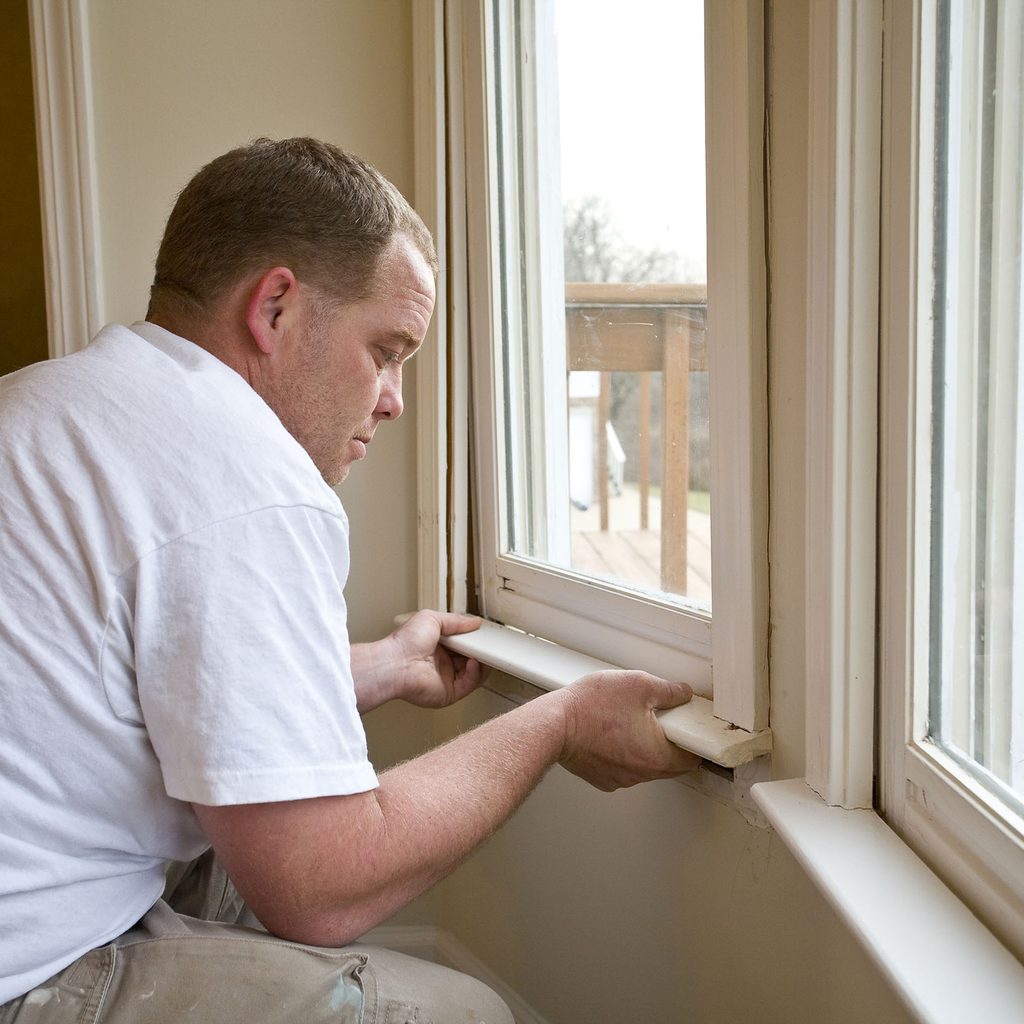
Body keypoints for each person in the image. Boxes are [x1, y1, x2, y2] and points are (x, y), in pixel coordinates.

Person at [0, 137, 699, 1023]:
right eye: (387, 349)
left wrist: (383, 666)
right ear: (278, 308)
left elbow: (157, 690)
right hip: (24, 972)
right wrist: (557, 720)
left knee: (236, 842)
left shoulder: (59, 403)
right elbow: (321, 889)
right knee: (464, 1015)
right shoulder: (242, 481)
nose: (395, 398)